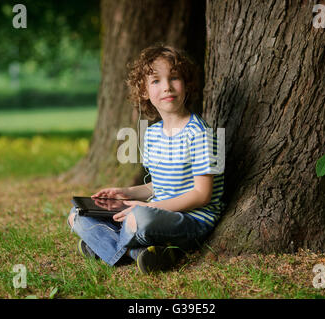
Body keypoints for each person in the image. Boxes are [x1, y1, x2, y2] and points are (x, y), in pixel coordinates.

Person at [67, 44, 225, 274]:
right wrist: (126, 193)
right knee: (77, 215)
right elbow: (157, 186)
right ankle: (137, 252)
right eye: (156, 81)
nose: (167, 87)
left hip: (192, 220)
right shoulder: (151, 134)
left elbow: (202, 195)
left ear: (186, 84)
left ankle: (105, 246)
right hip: (155, 209)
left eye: (174, 78)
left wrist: (147, 207)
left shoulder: (201, 133)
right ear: (143, 91)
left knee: (138, 219)